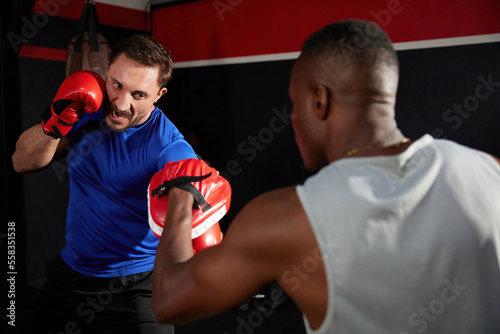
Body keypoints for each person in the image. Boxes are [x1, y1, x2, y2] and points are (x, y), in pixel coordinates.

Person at [150, 19, 500, 333]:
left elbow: (170, 300)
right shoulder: (489, 169)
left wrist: (183, 193)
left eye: (295, 103)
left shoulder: (287, 216)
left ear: (319, 100)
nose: (293, 118)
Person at [12, 34, 197, 333]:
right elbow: (21, 162)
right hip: (70, 276)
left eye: (138, 95)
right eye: (117, 85)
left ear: (159, 95)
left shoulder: (166, 143)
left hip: (135, 289)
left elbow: (187, 177)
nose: (121, 104)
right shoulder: (87, 108)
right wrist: (54, 124)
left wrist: (190, 194)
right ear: (106, 69)